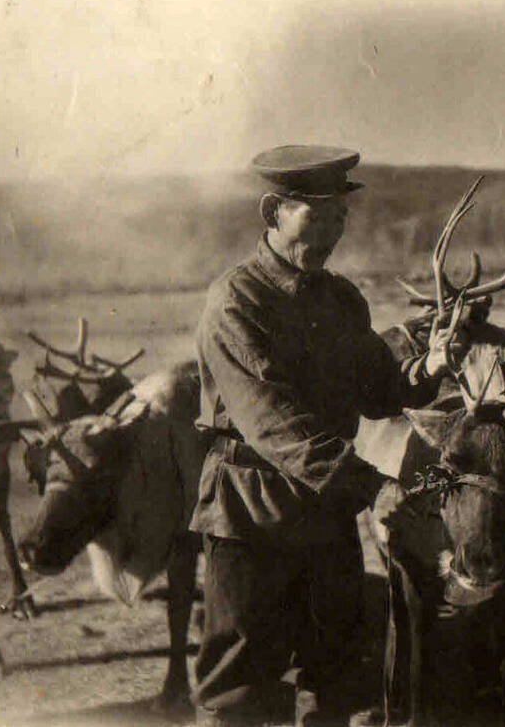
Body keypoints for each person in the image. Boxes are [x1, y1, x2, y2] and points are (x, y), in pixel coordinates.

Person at [190, 145, 464, 727]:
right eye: (318, 216)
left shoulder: (340, 299)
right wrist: (374, 486)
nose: (334, 232)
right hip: (251, 514)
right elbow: (275, 425)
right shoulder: (236, 301)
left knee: (334, 671)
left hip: (327, 515)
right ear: (273, 212)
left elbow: (380, 392)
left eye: (341, 217)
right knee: (241, 682)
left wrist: (429, 369)